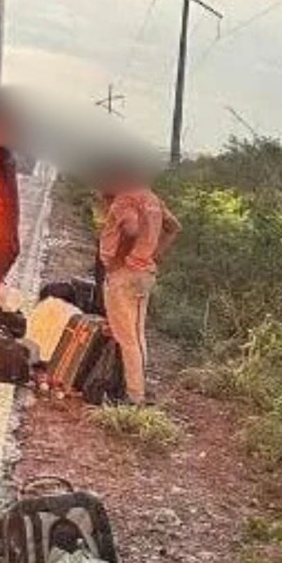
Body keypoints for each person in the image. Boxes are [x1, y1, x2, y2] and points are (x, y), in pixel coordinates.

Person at [97, 170, 180, 405]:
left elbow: (131, 229)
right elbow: (174, 227)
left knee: (128, 338)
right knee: (136, 333)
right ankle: (136, 389)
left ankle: (135, 397)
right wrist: (155, 253)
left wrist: (118, 262)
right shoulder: (152, 199)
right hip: (143, 272)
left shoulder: (126, 200)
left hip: (125, 274)